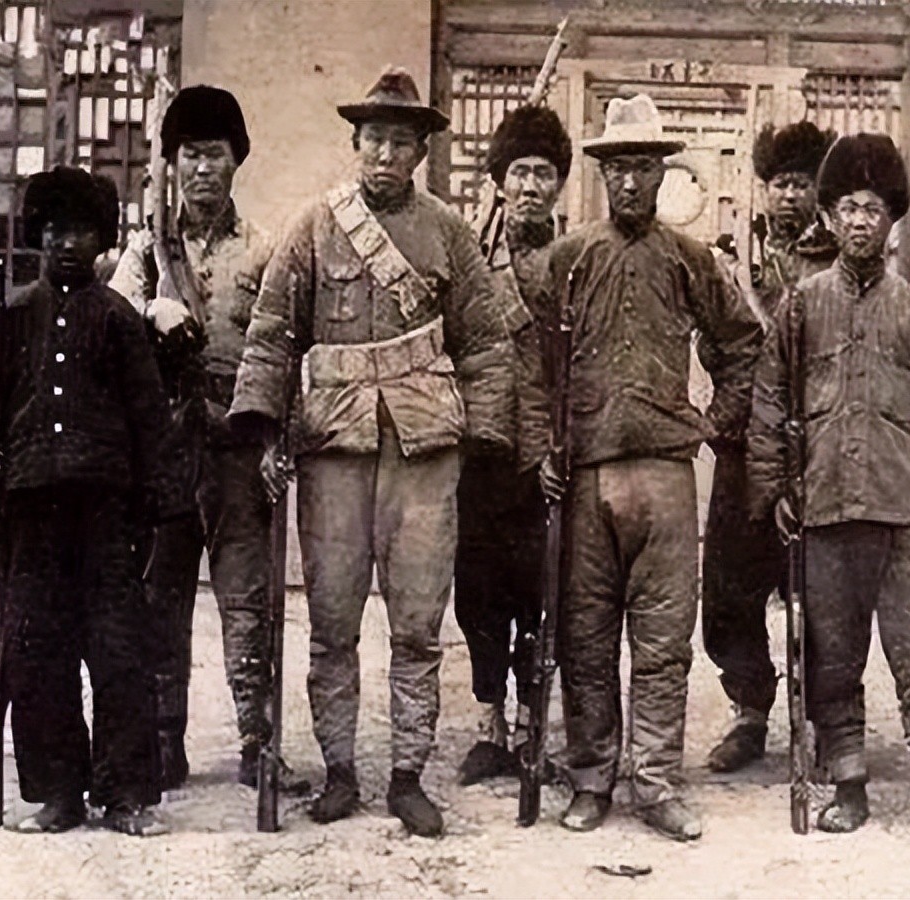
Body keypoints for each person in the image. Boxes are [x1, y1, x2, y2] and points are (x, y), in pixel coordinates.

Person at [227, 67, 517, 835]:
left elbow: (486, 344)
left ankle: (408, 774)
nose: (385, 155)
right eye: (374, 141)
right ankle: (340, 772)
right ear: (355, 144)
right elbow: (273, 333)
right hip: (335, 452)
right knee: (332, 623)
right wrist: (265, 431)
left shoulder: (448, 232)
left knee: (419, 624)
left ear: (421, 152)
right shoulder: (314, 226)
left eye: (400, 143)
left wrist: (483, 441)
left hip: (425, 456)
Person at [746, 133, 910, 847]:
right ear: (828, 216)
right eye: (848, 208)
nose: (860, 222)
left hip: (904, 508)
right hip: (825, 507)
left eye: (873, 210)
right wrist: (776, 489)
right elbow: (769, 402)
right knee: (833, 652)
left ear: (892, 222)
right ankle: (848, 786)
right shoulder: (801, 306)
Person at [530, 94, 762, 842]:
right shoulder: (568, 260)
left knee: (662, 643)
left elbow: (743, 345)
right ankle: (591, 777)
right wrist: (543, 450)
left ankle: (657, 782)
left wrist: (715, 420)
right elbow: (533, 366)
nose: (630, 182)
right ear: (602, 176)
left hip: (665, 475)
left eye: (643, 168)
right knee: (586, 637)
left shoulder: (691, 260)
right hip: (587, 475)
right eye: (617, 169)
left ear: (663, 174)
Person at [0, 166, 184, 835]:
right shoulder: (15, 318)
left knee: (119, 651)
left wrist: (155, 510)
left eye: (81, 231)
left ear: (102, 240)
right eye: (55, 230)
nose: (67, 243)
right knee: (36, 652)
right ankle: (58, 795)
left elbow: (150, 421)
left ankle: (124, 796)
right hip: (32, 515)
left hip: (107, 516)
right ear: (39, 238)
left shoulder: (117, 319)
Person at [109, 85, 293, 792]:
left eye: (215, 154)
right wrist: (150, 311)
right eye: (190, 155)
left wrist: (276, 441)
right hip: (165, 450)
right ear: (174, 163)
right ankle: (164, 740)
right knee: (162, 599)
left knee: (248, 601)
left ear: (235, 161)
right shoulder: (145, 250)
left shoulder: (266, 250)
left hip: (237, 446)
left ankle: (256, 741)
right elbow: (111, 327)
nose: (203, 169)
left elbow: (283, 353)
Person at [704, 120, 837, 773]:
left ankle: (822, 718)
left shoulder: (837, 257)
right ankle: (749, 711)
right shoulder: (734, 254)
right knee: (731, 584)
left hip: (814, 443)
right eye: (781, 184)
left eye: (803, 184)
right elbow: (712, 337)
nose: (790, 196)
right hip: (742, 445)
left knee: (818, 587)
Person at [455, 104, 571, 785]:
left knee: (540, 594)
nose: (530, 185)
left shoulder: (573, 260)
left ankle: (533, 727)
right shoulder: (471, 256)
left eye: (543, 173)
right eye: (519, 172)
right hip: (481, 446)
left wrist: (561, 446)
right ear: (499, 182)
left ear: (559, 184)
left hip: (543, 456)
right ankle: (488, 723)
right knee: (478, 593)